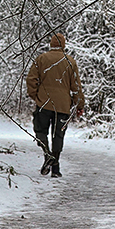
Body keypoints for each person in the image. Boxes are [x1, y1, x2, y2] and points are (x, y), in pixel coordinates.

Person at [25, 32, 84, 177]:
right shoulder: (70, 61)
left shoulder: (41, 59)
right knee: (58, 136)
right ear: (63, 45)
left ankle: (47, 155)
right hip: (63, 106)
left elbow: (31, 80)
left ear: (51, 44)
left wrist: (36, 96)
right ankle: (55, 169)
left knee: (41, 131)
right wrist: (79, 104)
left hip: (44, 103)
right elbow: (76, 86)